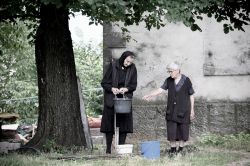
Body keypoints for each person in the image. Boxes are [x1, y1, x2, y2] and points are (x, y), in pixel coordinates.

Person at [142, 62, 195, 156]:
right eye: (169, 72)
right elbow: (160, 90)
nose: (170, 73)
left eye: (171, 71)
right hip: (172, 110)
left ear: (177, 70)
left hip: (184, 110)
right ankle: (173, 150)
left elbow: (191, 95)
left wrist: (192, 110)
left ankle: (180, 150)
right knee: (172, 130)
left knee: (183, 130)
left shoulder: (186, 80)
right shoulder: (168, 80)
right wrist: (149, 95)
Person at [100, 51, 137, 154]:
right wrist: (112, 88)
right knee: (109, 124)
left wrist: (126, 89)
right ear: (123, 58)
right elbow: (104, 83)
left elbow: (133, 85)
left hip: (124, 100)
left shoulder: (133, 68)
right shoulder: (113, 66)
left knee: (124, 124)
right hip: (111, 99)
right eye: (127, 61)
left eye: (130, 62)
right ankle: (108, 150)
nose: (128, 64)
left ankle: (120, 149)